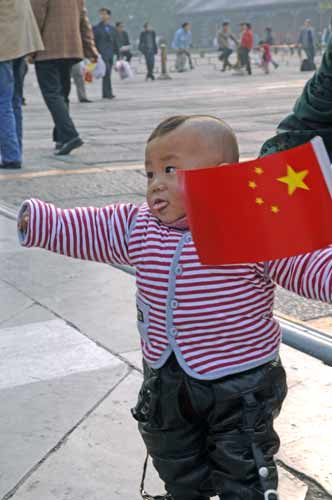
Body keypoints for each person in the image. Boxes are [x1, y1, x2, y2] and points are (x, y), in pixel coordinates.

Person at [18, 104, 332, 499]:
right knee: (173, 454)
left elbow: (303, 263)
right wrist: (42, 221)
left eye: (170, 170)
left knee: (244, 463)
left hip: (240, 382)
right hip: (167, 377)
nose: (155, 183)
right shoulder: (138, 224)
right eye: (149, 172)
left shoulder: (248, 224)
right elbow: (91, 227)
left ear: (219, 178)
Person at [30, 0, 98, 156]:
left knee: (52, 94)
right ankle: (61, 137)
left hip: (47, 51)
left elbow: (36, 19)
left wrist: (31, 49)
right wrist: (90, 49)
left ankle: (70, 135)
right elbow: (83, 21)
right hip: (71, 49)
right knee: (62, 94)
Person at [0, 0, 43, 169]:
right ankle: (15, 151)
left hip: (3, 45)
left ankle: (11, 155)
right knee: (14, 100)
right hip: (20, 41)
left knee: (3, 101)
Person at [93, 8, 119, 99]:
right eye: (101, 14)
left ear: (109, 16)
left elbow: (115, 42)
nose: (103, 16)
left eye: (104, 14)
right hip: (101, 54)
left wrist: (118, 54)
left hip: (111, 53)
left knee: (108, 73)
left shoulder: (112, 29)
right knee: (106, 72)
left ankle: (107, 92)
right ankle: (107, 93)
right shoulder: (96, 28)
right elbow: (94, 41)